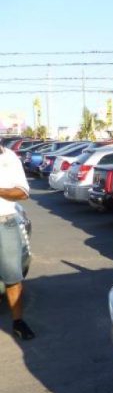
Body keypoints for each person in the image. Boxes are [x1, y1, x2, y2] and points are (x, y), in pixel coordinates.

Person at [0, 144, 35, 340]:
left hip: (5, 223)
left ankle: (18, 322)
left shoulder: (9, 157)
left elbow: (23, 192)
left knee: (13, 276)